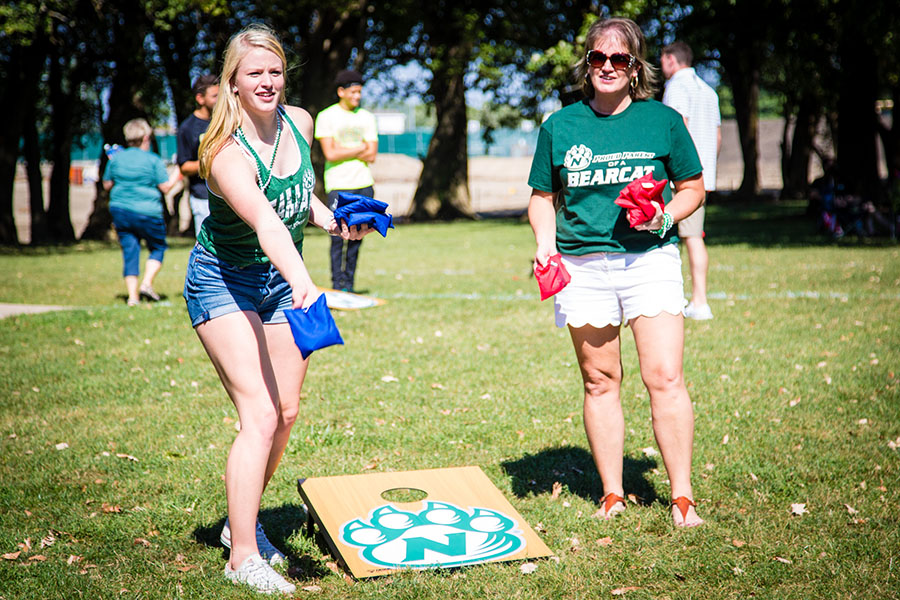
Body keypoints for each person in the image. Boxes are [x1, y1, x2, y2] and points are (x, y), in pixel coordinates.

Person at [186, 25, 371, 594]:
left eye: (274, 71)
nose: (266, 81)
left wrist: (331, 219)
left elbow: (296, 197)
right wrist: (306, 281)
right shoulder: (223, 152)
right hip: (224, 282)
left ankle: (240, 521)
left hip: (276, 282)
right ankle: (242, 554)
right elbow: (265, 220)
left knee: (286, 411)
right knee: (259, 415)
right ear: (233, 84)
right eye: (253, 73)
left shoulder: (302, 121)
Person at [527, 17, 706, 527]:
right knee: (600, 380)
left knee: (664, 376)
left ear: (635, 68)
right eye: (598, 58)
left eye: (619, 59)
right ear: (588, 65)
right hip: (581, 266)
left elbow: (692, 187)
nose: (608, 66)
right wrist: (545, 244)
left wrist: (665, 215)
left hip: (649, 260)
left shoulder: (662, 121)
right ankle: (612, 493)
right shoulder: (560, 126)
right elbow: (542, 199)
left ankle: (682, 497)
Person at [661, 41, 721, 320]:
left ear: (671, 60)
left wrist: (676, 172)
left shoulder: (677, 86)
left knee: (685, 237)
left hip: (682, 180)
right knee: (693, 236)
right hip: (704, 175)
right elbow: (717, 137)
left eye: (662, 60)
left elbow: (677, 127)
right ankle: (695, 299)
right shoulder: (708, 91)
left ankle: (698, 301)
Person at [102, 118, 181, 306]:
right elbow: (165, 187)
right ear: (146, 137)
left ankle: (132, 297)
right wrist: (180, 171)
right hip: (148, 212)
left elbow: (107, 185)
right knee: (158, 247)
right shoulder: (152, 160)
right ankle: (146, 284)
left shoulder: (116, 159)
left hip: (120, 210)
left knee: (130, 250)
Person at [314, 69, 378, 292]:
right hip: (338, 185)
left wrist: (345, 149)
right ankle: (335, 286)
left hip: (364, 184)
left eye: (359, 92)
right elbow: (330, 154)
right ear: (341, 92)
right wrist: (360, 147)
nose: (357, 96)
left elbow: (372, 154)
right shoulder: (326, 116)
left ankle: (349, 286)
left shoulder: (367, 117)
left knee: (357, 236)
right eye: (353, 92)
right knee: (337, 236)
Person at [176, 74, 220, 235]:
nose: (219, 100)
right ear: (200, 99)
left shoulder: (225, 121)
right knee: (209, 251)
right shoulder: (187, 128)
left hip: (228, 195)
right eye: (215, 96)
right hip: (203, 197)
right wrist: (211, 162)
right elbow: (184, 167)